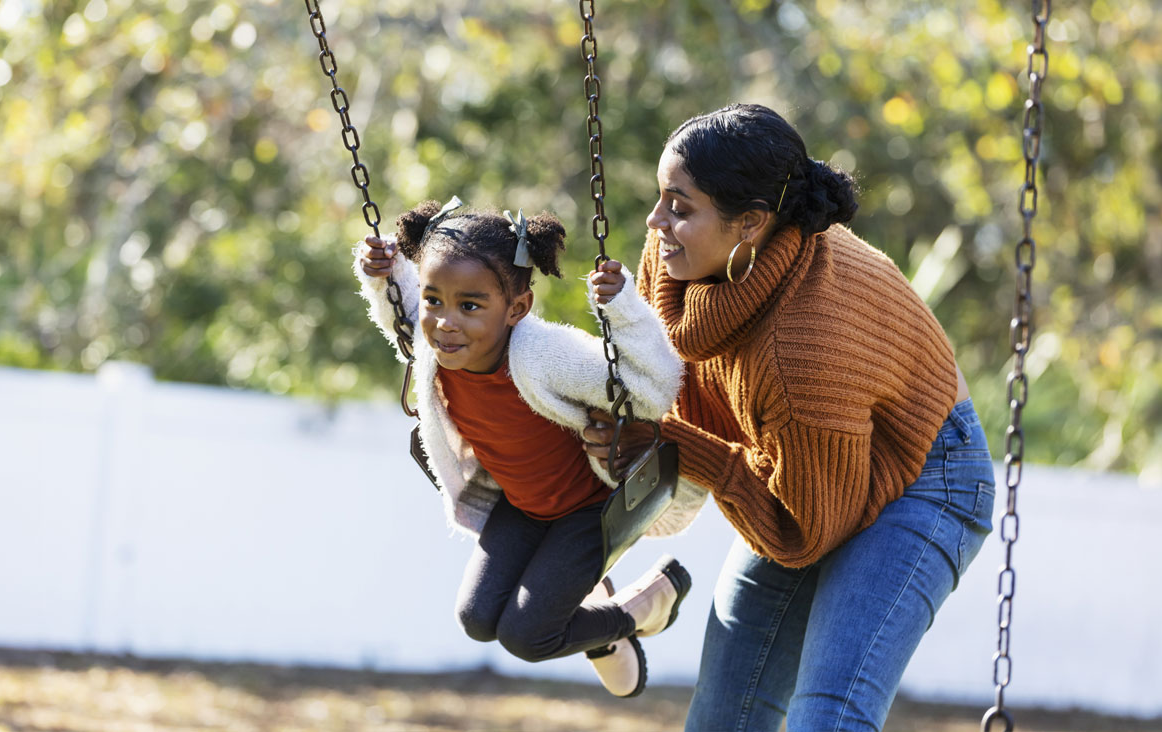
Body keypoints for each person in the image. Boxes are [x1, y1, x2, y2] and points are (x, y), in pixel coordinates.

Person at [582, 103, 995, 729]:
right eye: (661, 197)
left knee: (827, 716)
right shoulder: (681, 261)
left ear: (750, 224)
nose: (656, 221)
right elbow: (666, 371)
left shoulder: (800, 351)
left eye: (680, 207)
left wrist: (679, 446)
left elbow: (804, 533)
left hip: (926, 477)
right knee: (725, 712)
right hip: (811, 462)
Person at [354, 198, 700, 698]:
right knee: (475, 618)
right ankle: (591, 603)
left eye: (470, 306)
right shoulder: (437, 346)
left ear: (517, 308)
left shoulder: (544, 355)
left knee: (528, 635)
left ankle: (638, 608)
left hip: (588, 510)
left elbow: (655, 387)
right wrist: (381, 273)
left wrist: (623, 310)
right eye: (435, 301)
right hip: (522, 505)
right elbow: (405, 315)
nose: (446, 322)